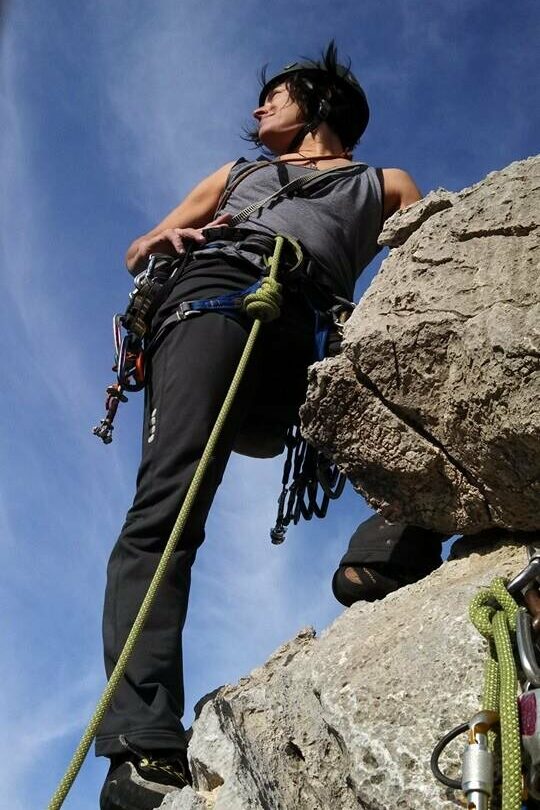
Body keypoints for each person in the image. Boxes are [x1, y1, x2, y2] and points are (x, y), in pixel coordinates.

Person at [98, 42, 423, 810]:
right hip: (210, 297)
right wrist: (159, 243)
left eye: (275, 96)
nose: (257, 110)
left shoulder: (383, 183)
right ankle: (142, 751)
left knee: (417, 385)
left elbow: (426, 263)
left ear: (318, 104)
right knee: (167, 510)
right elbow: (138, 246)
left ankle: (387, 549)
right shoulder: (235, 177)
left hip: (308, 320)